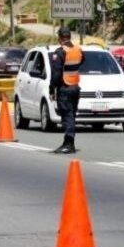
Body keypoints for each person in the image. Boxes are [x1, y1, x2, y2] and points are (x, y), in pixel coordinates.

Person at [49, 26, 84, 154]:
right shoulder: (77, 49)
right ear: (69, 37)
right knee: (72, 115)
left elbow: (56, 74)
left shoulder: (60, 52)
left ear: (60, 38)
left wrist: (52, 89)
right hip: (75, 87)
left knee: (67, 116)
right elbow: (81, 61)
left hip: (65, 88)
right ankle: (67, 142)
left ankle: (69, 144)